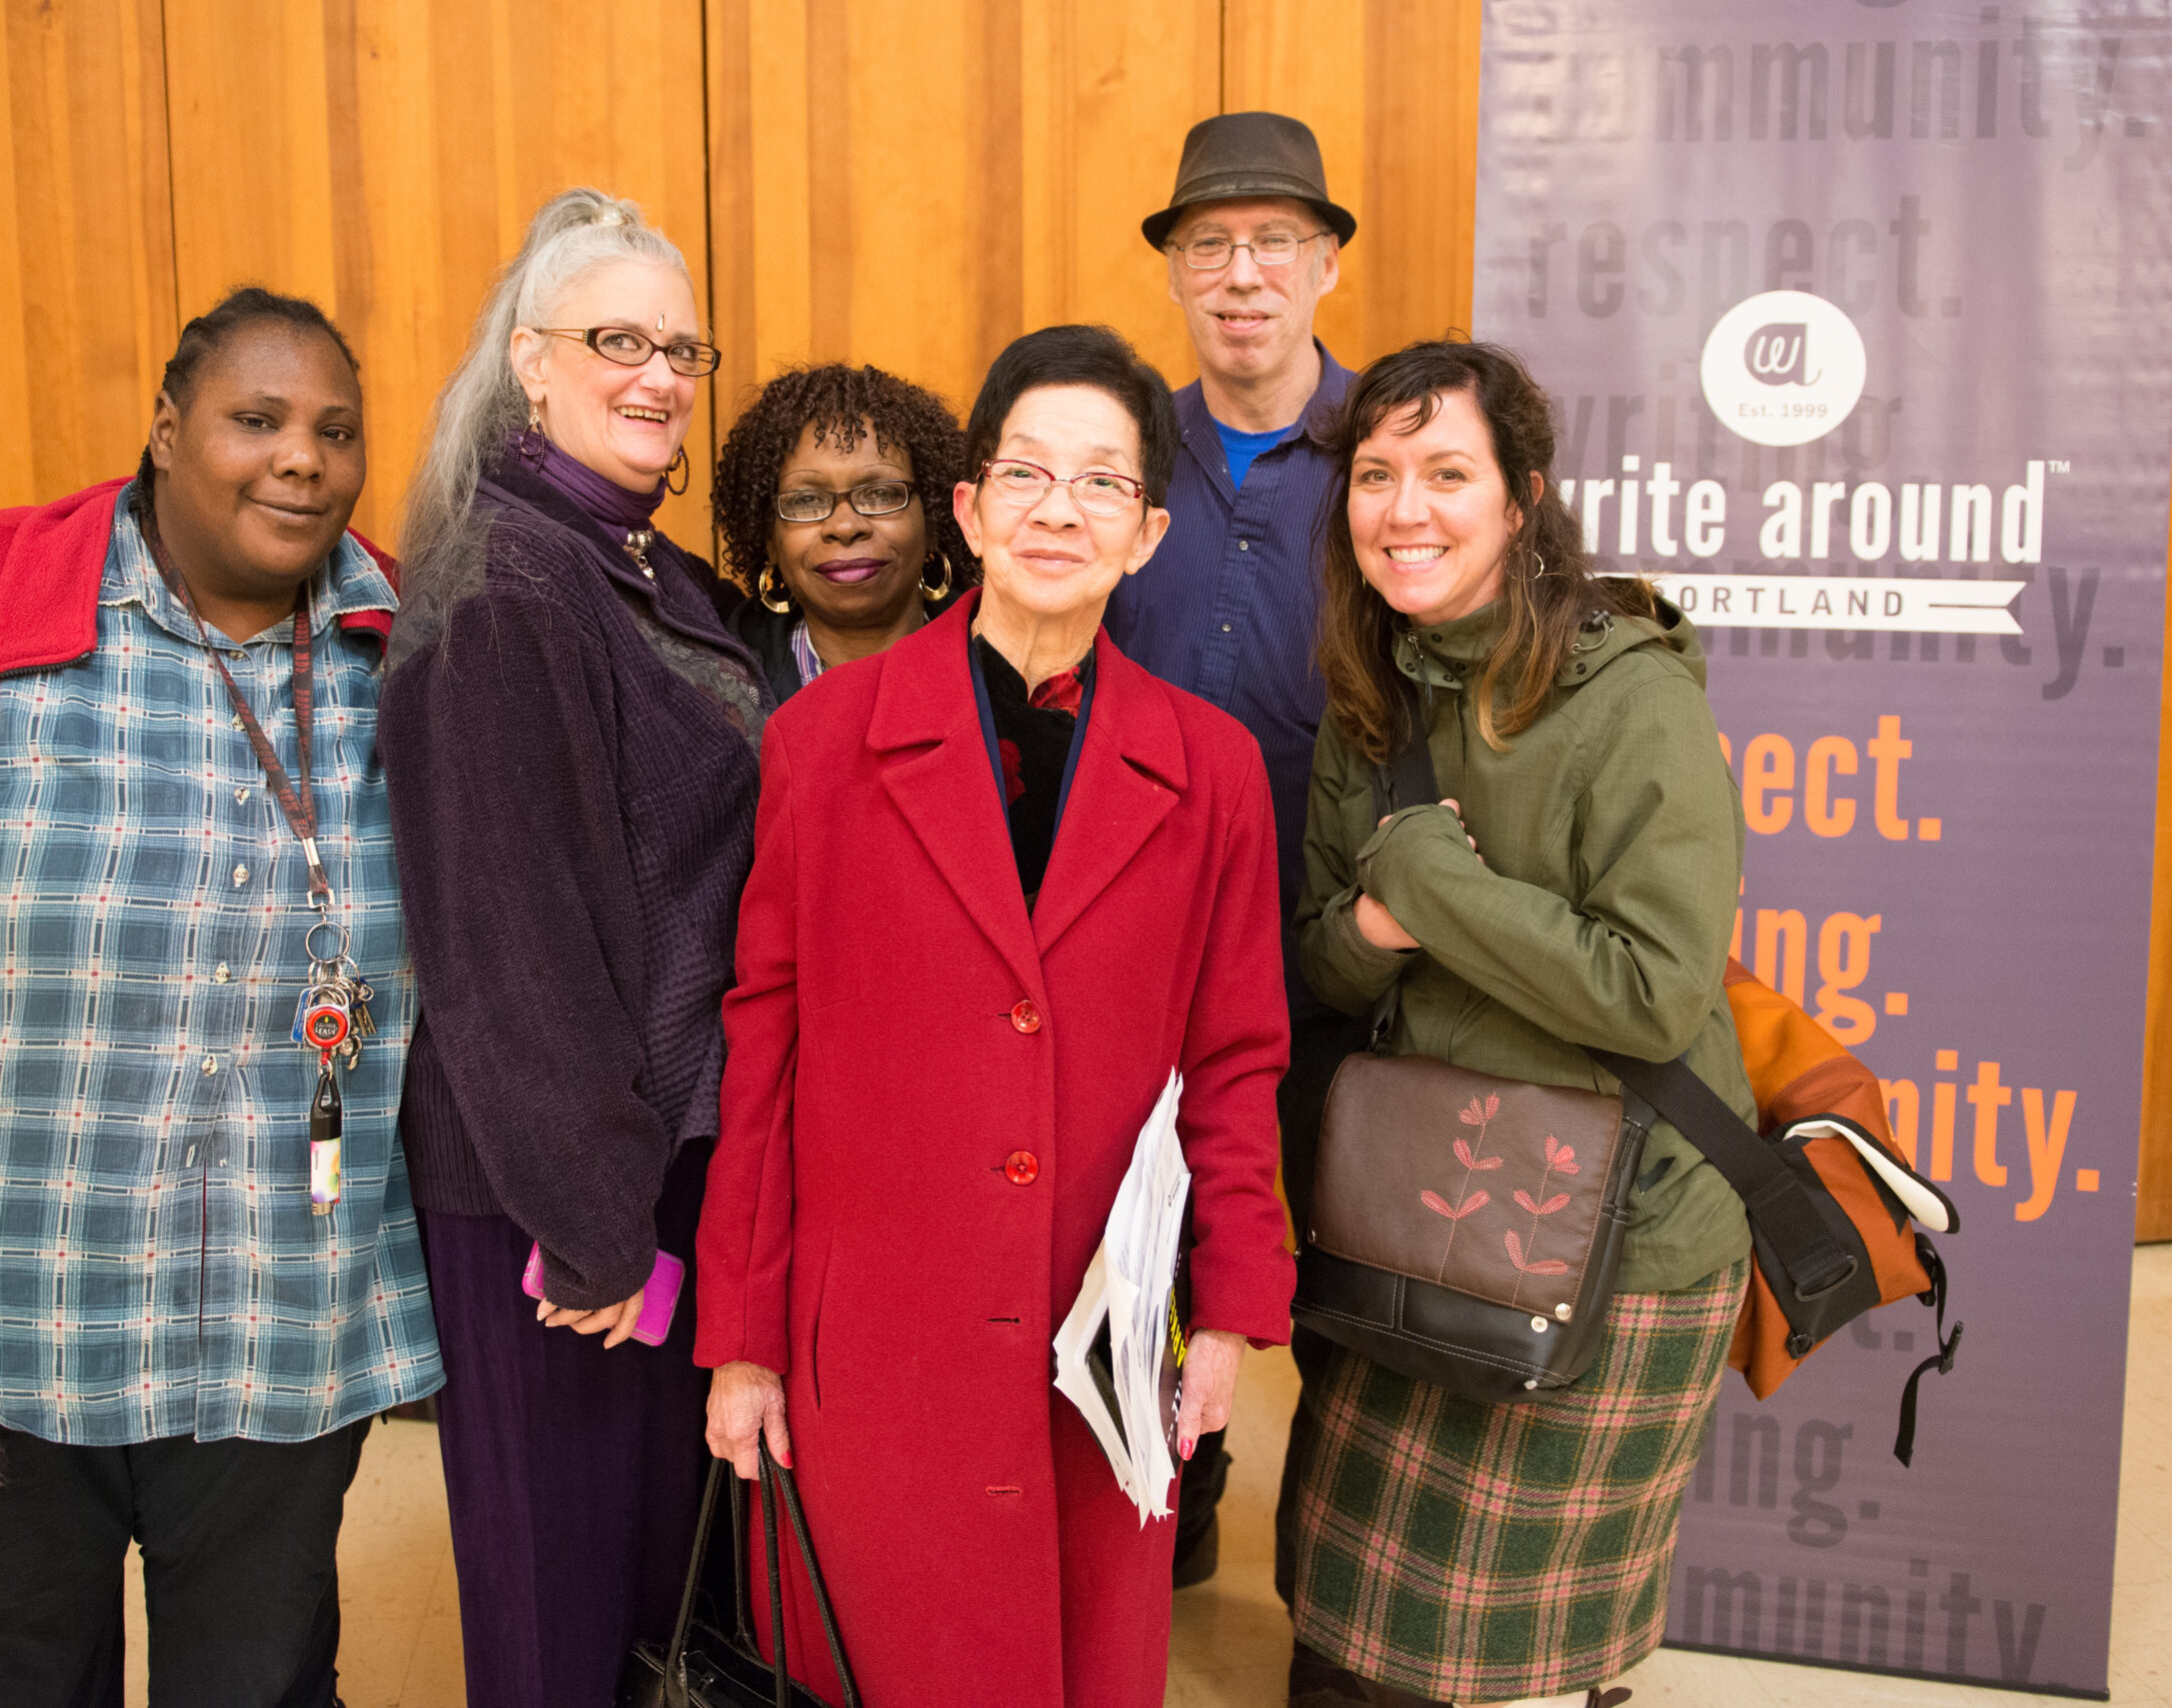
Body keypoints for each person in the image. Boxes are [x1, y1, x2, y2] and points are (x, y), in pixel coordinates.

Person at [0, 287, 439, 1703]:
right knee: (0, 1670)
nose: (300, 458)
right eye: (256, 420)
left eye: (335, 429)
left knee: (261, 1677)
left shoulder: (418, 654)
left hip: (287, 1320)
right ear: (168, 430)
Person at [695, 325, 1297, 1708]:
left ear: (1146, 534)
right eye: (1026, 473)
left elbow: (1238, 1056)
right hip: (877, 1343)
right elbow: (766, 1046)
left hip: (1100, 1339)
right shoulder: (824, 741)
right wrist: (740, 1335)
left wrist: (1227, 1310)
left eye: (1099, 484)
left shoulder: (1211, 771)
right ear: (967, 510)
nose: (1058, 510)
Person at [1278, 342, 1753, 1708]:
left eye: (1446, 472)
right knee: (1346, 1645)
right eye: (1375, 475)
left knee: (1527, 1671)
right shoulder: (1371, 698)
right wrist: (1375, 929)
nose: (1404, 507)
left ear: (1521, 495)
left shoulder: (1632, 693)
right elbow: (1326, 962)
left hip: (1622, 1231)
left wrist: (1430, 883)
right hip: (1418, 1210)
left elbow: (1657, 990)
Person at [378, 188, 764, 1708]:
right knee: (556, 1611)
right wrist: (600, 1222)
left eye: (682, 346)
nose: (659, 374)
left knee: (647, 1597)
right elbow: (503, 939)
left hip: (649, 1164)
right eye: (620, 339)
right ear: (529, 363)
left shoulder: (635, 564)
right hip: (559, 1199)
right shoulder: (501, 587)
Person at [1102, 109, 1359, 1585]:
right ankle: (1163, 1530)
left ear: (1325, 263)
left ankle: (1337, 1607)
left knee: (1336, 1287)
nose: (1241, 273)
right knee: (1144, 1255)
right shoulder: (1124, 448)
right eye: (1210, 245)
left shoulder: (1389, 453)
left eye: (1274, 242)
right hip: (1138, 951)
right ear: (1178, 274)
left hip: (1334, 950)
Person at [713, 362, 977, 703]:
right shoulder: (721, 693)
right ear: (770, 540)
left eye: (881, 494)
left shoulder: (1002, 669)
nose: (845, 526)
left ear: (934, 520)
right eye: (806, 500)